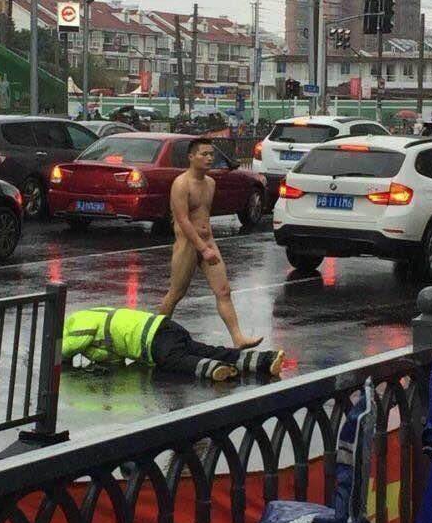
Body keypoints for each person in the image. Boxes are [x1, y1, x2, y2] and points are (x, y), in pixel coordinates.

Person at [159, 137, 263, 350]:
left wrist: (207, 246)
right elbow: (183, 220)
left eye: (211, 154)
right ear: (191, 157)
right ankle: (154, 335)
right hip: (188, 245)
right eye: (204, 154)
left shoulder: (210, 183)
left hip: (208, 242)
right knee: (176, 293)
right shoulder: (181, 184)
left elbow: (203, 216)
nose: (209, 158)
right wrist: (202, 248)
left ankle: (238, 338)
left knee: (224, 291)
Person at [62, 306, 284, 381]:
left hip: (153, 340)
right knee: (205, 349)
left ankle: (213, 369)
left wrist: (59, 360)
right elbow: (114, 359)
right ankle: (265, 360)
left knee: (176, 361)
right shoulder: (96, 316)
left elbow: (66, 349)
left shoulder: (77, 323)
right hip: (166, 327)